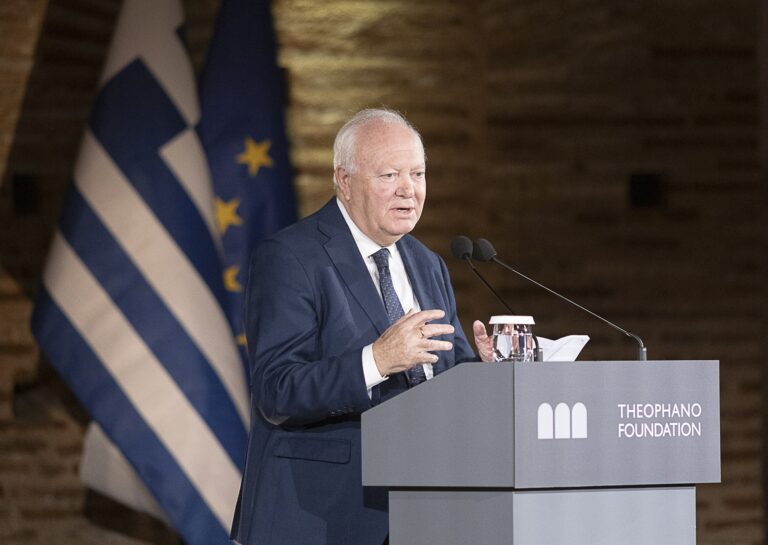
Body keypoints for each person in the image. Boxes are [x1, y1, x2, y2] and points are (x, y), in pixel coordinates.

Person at [230, 109, 493, 545]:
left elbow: (443, 377)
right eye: (389, 175)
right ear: (345, 181)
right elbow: (276, 389)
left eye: (418, 174)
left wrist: (485, 372)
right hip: (316, 516)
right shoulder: (290, 257)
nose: (409, 189)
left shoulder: (428, 264)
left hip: (420, 513)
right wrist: (376, 361)